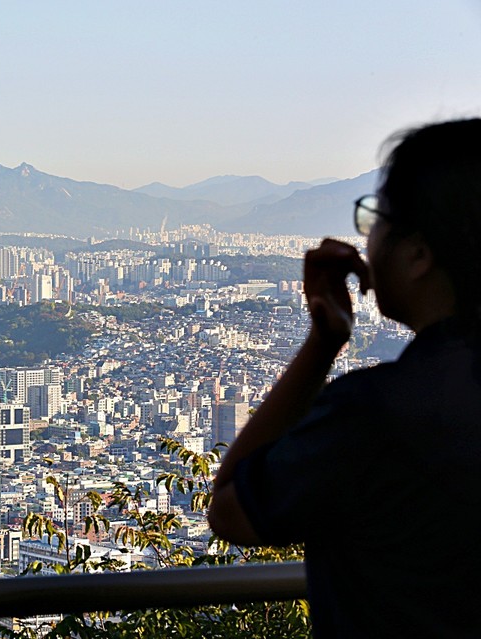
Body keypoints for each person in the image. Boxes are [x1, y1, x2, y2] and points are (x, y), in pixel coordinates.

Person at [208, 118, 481, 636]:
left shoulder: (375, 413)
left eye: (374, 218)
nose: (367, 238)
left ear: (419, 252)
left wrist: (322, 343)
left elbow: (229, 513)